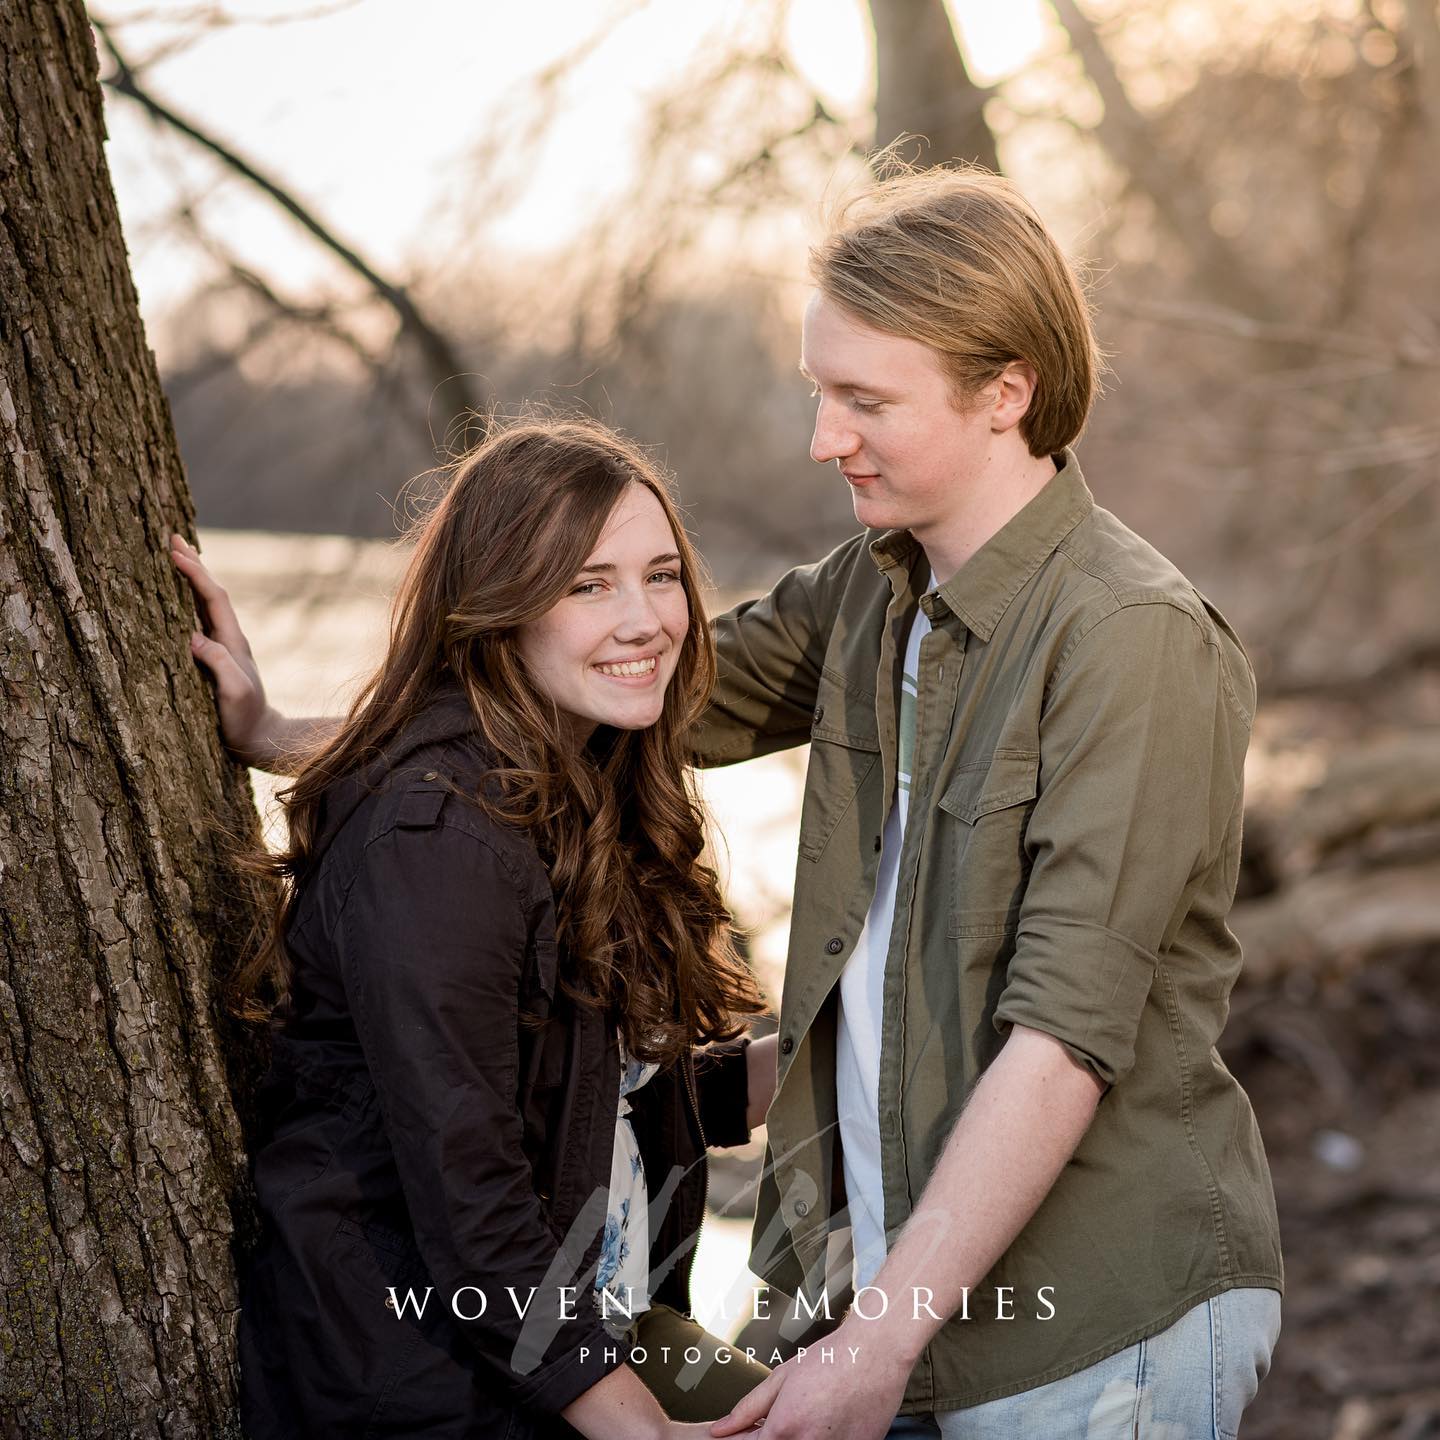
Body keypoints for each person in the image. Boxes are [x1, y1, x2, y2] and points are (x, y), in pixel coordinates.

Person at [180, 166, 1285, 1439]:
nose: (825, 436)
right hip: (868, 1297)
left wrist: (875, 1344)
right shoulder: (869, 597)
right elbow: (590, 689)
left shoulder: (1131, 639)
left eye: (865, 399)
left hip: (1086, 1328)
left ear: (1005, 394)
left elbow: (1063, 1042)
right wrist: (290, 737)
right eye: (823, 391)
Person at [172, 419, 774, 1438]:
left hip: (584, 1333)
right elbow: (472, 1190)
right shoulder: (439, 844)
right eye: (588, 585)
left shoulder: (578, 789)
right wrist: (635, 1425)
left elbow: (575, 1094)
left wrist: (806, 1074)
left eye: (661, 576)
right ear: (498, 607)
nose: (645, 621)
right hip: (436, 1382)